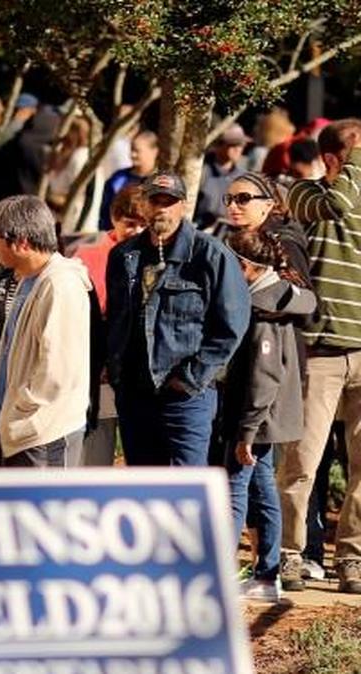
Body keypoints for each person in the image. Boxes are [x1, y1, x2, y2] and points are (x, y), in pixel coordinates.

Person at [106, 171, 250, 466]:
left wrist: (190, 377)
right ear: (143, 205)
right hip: (134, 393)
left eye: (169, 201)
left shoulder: (211, 254)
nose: (161, 208)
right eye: (154, 200)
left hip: (186, 396)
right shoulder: (123, 255)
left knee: (187, 486)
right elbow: (115, 319)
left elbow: (232, 326)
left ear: (184, 206)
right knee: (145, 487)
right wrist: (113, 370)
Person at [280, 119, 361, 593]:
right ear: (334, 159)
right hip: (321, 351)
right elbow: (338, 202)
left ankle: (351, 556)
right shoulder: (305, 194)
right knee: (302, 462)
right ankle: (292, 552)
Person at [221, 229, 315, 602]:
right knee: (262, 489)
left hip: (257, 419)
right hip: (261, 418)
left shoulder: (263, 308)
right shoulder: (272, 297)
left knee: (235, 490)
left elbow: (265, 376)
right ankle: (266, 574)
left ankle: (228, 572)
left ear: (245, 268)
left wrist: (246, 431)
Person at [0, 195, 92, 467]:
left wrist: (20, 409)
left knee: (50, 511)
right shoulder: (30, 279)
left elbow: (57, 371)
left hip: (45, 434)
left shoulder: (61, 285)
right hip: (22, 432)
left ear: (21, 242)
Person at [72, 187, 148, 467]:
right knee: (97, 449)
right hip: (97, 365)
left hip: (136, 370)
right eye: (130, 223)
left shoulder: (153, 254)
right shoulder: (88, 255)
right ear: (115, 218)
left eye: (143, 224)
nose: (136, 230)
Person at [222, 172, 310, 284]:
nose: (232, 206)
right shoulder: (236, 237)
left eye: (243, 198)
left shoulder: (285, 243)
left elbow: (301, 294)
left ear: (268, 205)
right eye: (228, 199)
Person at [99, 130, 159, 230]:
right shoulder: (118, 178)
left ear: (154, 151)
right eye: (131, 150)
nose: (132, 154)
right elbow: (105, 212)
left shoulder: (159, 181)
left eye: (137, 151)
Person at [195, 123, 249, 229]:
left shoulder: (243, 177)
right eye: (233, 144)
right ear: (218, 145)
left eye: (241, 145)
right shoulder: (201, 172)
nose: (238, 149)